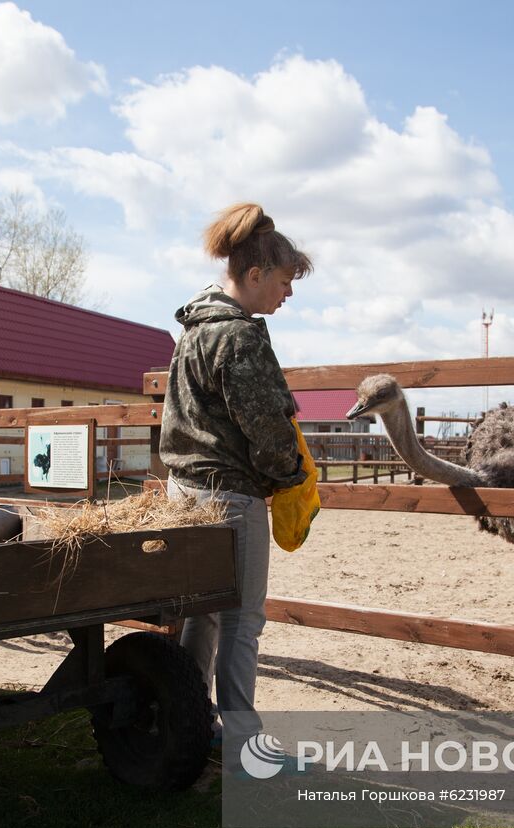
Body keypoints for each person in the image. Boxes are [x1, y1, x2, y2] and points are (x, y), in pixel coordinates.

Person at [160, 202, 313, 745]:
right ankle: (243, 737)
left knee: (204, 613)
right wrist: (294, 477)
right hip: (229, 497)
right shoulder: (241, 338)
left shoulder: (193, 328)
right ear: (255, 275)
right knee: (244, 621)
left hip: (184, 490)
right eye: (285, 280)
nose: (288, 293)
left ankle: (187, 718)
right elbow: (267, 430)